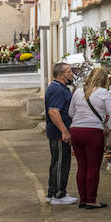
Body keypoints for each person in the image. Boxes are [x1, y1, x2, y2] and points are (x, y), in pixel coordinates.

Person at [68, 66, 111, 209]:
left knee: (81, 167)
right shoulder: (103, 92)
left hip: (76, 130)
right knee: (93, 167)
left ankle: (83, 199)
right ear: (104, 80)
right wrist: (108, 127)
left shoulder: (78, 91)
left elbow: (71, 113)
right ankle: (91, 200)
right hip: (93, 132)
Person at [44, 62, 76, 205]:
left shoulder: (60, 88)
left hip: (58, 132)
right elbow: (53, 112)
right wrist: (64, 131)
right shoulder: (57, 89)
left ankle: (52, 193)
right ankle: (58, 195)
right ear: (61, 75)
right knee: (61, 164)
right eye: (68, 71)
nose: (71, 74)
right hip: (59, 134)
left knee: (57, 162)